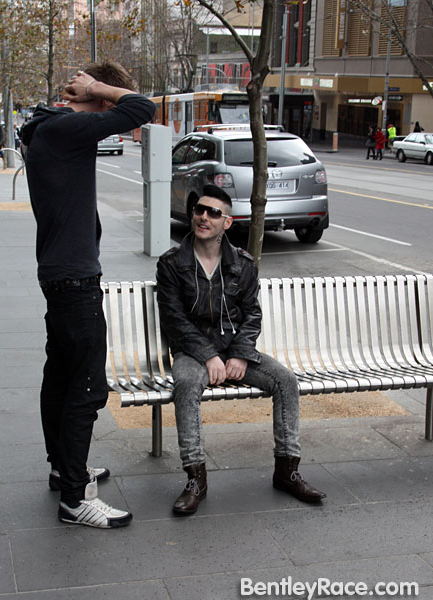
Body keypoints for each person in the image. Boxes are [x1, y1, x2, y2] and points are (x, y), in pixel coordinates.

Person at [21, 62, 155, 528]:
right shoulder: (66, 127)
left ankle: (64, 469)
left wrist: (96, 91)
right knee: (87, 386)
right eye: (107, 99)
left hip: (61, 273)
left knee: (60, 378)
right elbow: (143, 109)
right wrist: (98, 87)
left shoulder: (49, 128)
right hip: (74, 279)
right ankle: (76, 499)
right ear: (96, 97)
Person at [156, 184, 326, 516]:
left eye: (213, 213)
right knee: (187, 384)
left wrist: (239, 353)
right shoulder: (172, 263)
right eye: (199, 210)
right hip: (192, 352)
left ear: (227, 222)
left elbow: (252, 315)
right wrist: (208, 355)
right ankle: (196, 479)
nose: (204, 217)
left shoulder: (243, 264)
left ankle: (287, 470)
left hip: (234, 350)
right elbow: (174, 319)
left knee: (285, 381)